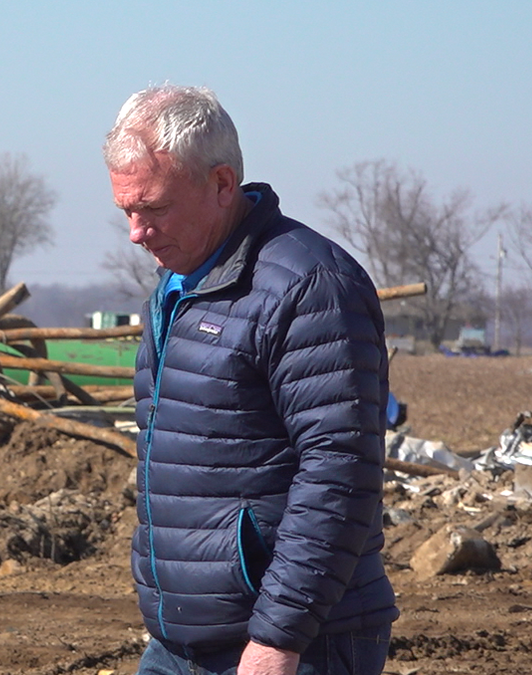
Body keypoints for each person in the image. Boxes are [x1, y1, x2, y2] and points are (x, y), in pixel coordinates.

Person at [104, 85, 398, 675]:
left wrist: (278, 637)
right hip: (181, 642)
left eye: (154, 209)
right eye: (126, 212)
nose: (137, 233)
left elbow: (339, 468)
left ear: (221, 184)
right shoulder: (177, 287)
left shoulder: (309, 286)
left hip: (293, 644)